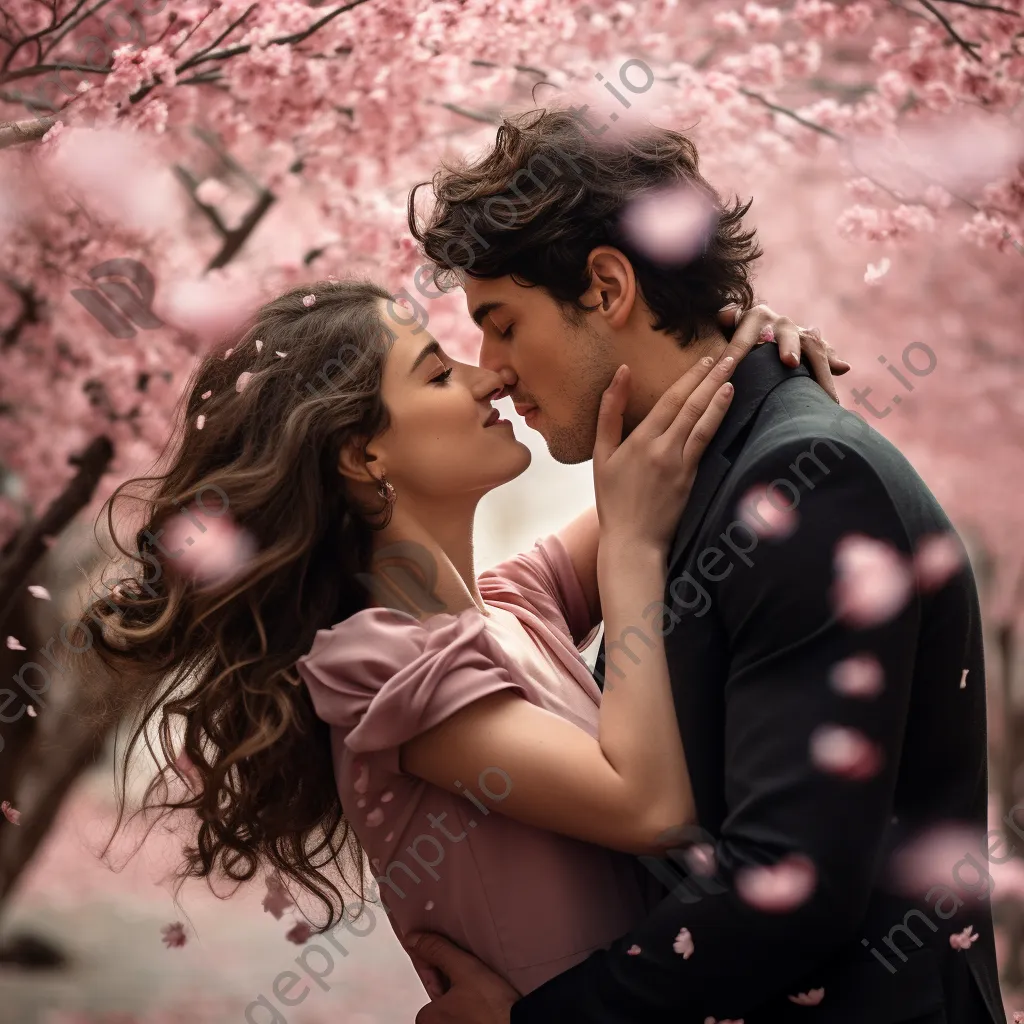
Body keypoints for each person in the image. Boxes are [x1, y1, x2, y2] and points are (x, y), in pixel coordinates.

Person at [399, 109, 1004, 1023]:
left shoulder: (806, 483)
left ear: (606, 286)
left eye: (503, 323)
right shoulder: (696, 473)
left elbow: (787, 891)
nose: (494, 369)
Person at [79, 279, 839, 1003]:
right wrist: (632, 552)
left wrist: (757, 353)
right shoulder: (379, 669)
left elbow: (677, 448)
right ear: (362, 454)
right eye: (439, 375)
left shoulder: (512, 607)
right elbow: (650, 809)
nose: (490, 381)